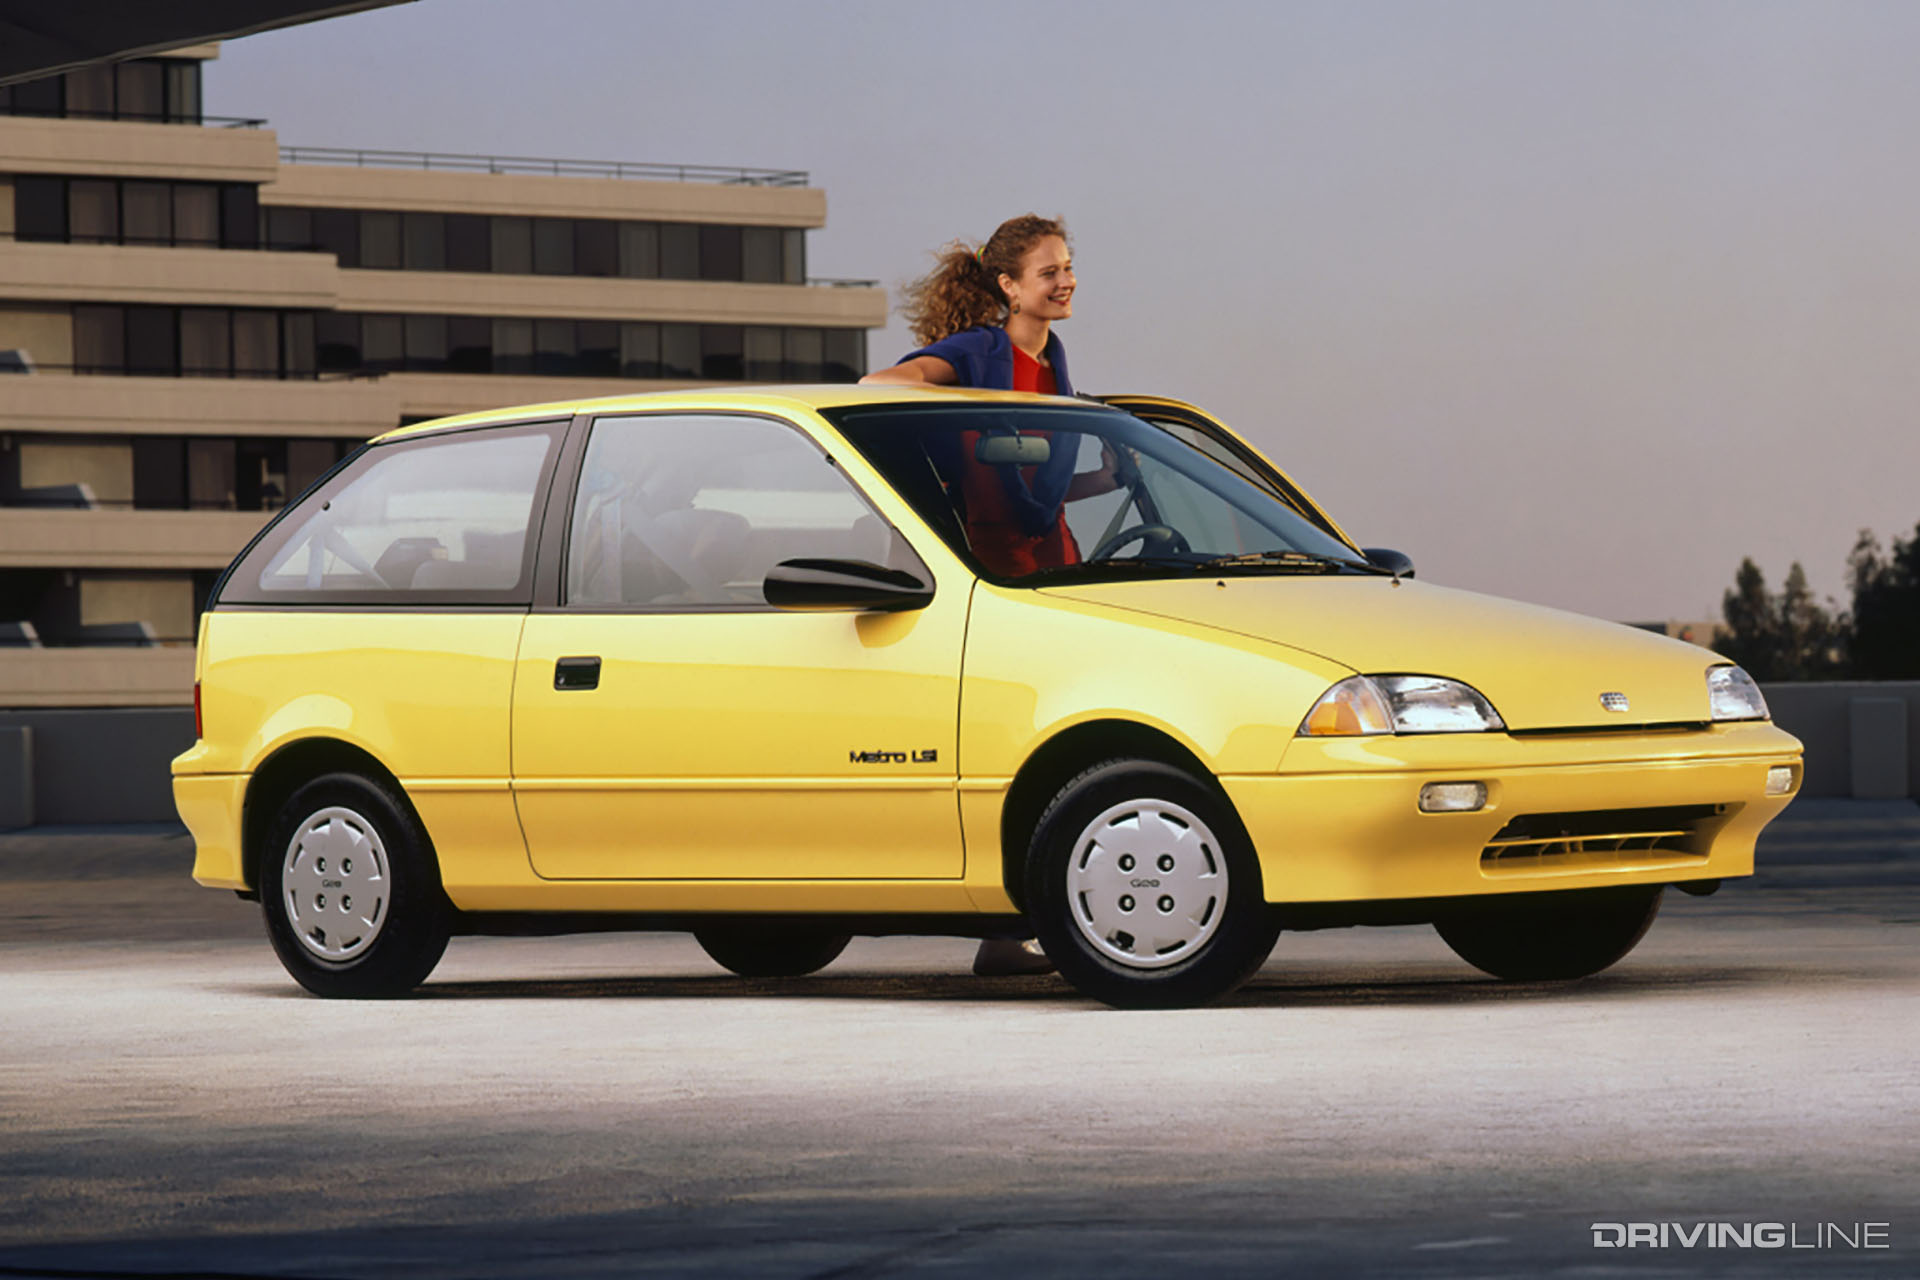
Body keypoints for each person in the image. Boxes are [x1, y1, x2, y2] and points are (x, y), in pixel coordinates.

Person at [863, 215, 1117, 976]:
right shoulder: (980, 352)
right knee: (1024, 743)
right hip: (996, 568)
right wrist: (955, 425)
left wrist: (1108, 476)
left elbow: (1039, 484)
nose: (1066, 281)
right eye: (1049, 272)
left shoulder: (1059, 370)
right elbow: (883, 388)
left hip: (1054, 558)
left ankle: (1030, 923)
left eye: (1068, 267)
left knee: (1074, 737)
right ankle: (1012, 925)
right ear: (1009, 287)